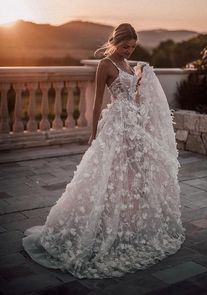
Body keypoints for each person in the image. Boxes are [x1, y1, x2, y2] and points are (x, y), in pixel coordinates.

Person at [22, 23, 186, 279]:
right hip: (116, 126)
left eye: (133, 47)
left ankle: (129, 223)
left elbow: (134, 98)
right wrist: (93, 133)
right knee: (108, 175)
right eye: (125, 46)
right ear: (115, 41)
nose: (129, 51)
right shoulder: (106, 65)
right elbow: (98, 100)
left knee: (138, 173)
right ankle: (100, 225)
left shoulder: (130, 66)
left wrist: (142, 89)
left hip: (132, 125)